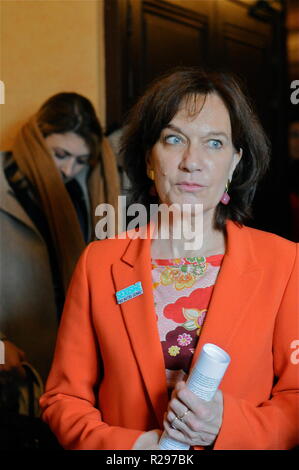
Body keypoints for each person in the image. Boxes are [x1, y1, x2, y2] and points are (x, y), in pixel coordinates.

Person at [40, 69, 299, 450]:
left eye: (214, 143)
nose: (191, 161)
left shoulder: (285, 262)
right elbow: (65, 400)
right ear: (149, 158)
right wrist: (133, 449)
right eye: (174, 139)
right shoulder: (100, 263)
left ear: (234, 163)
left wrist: (227, 425)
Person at [0, 92, 120, 385]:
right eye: (60, 154)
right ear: (37, 140)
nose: (68, 170)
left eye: (80, 160)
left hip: (68, 357)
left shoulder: (84, 189)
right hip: (12, 357)